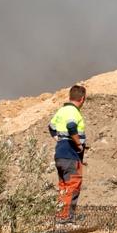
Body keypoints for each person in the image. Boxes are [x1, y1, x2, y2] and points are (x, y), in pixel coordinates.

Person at [49, 84, 87, 224]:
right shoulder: (73, 112)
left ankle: (61, 217)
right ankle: (66, 220)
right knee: (73, 185)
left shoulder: (61, 111)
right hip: (71, 155)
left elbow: (51, 127)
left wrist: (58, 140)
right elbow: (71, 126)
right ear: (82, 99)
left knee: (64, 187)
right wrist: (78, 144)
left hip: (60, 155)